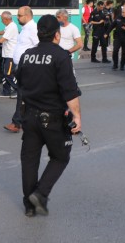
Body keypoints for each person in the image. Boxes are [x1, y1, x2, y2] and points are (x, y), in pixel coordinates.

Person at [16, 14, 82, 217]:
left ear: (38, 33)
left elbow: (20, 83)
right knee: (61, 157)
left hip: (29, 117)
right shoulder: (61, 56)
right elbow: (70, 93)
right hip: (52, 119)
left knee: (29, 160)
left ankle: (29, 206)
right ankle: (40, 193)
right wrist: (77, 117)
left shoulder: (27, 55)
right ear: (57, 34)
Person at [4, 6, 38, 133]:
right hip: (21, 67)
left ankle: (17, 122)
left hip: (28, 67)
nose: (17, 18)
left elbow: (38, 46)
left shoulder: (33, 29)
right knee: (25, 95)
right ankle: (28, 120)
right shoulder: (25, 29)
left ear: (27, 16)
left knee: (22, 95)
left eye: (19, 15)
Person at [0, 11, 18, 98]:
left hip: (11, 55)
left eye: (2, 19)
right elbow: (3, 31)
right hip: (6, 55)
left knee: (8, 74)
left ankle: (18, 91)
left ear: (6, 19)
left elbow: (1, 40)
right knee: (5, 74)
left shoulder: (12, 27)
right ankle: (6, 92)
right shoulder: (9, 26)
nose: (1, 21)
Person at [109, 6, 125, 71]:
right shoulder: (118, 18)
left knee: (124, 53)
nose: (124, 14)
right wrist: (106, 33)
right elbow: (112, 26)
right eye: (123, 12)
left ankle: (122, 65)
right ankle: (115, 64)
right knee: (115, 51)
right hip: (117, 37)